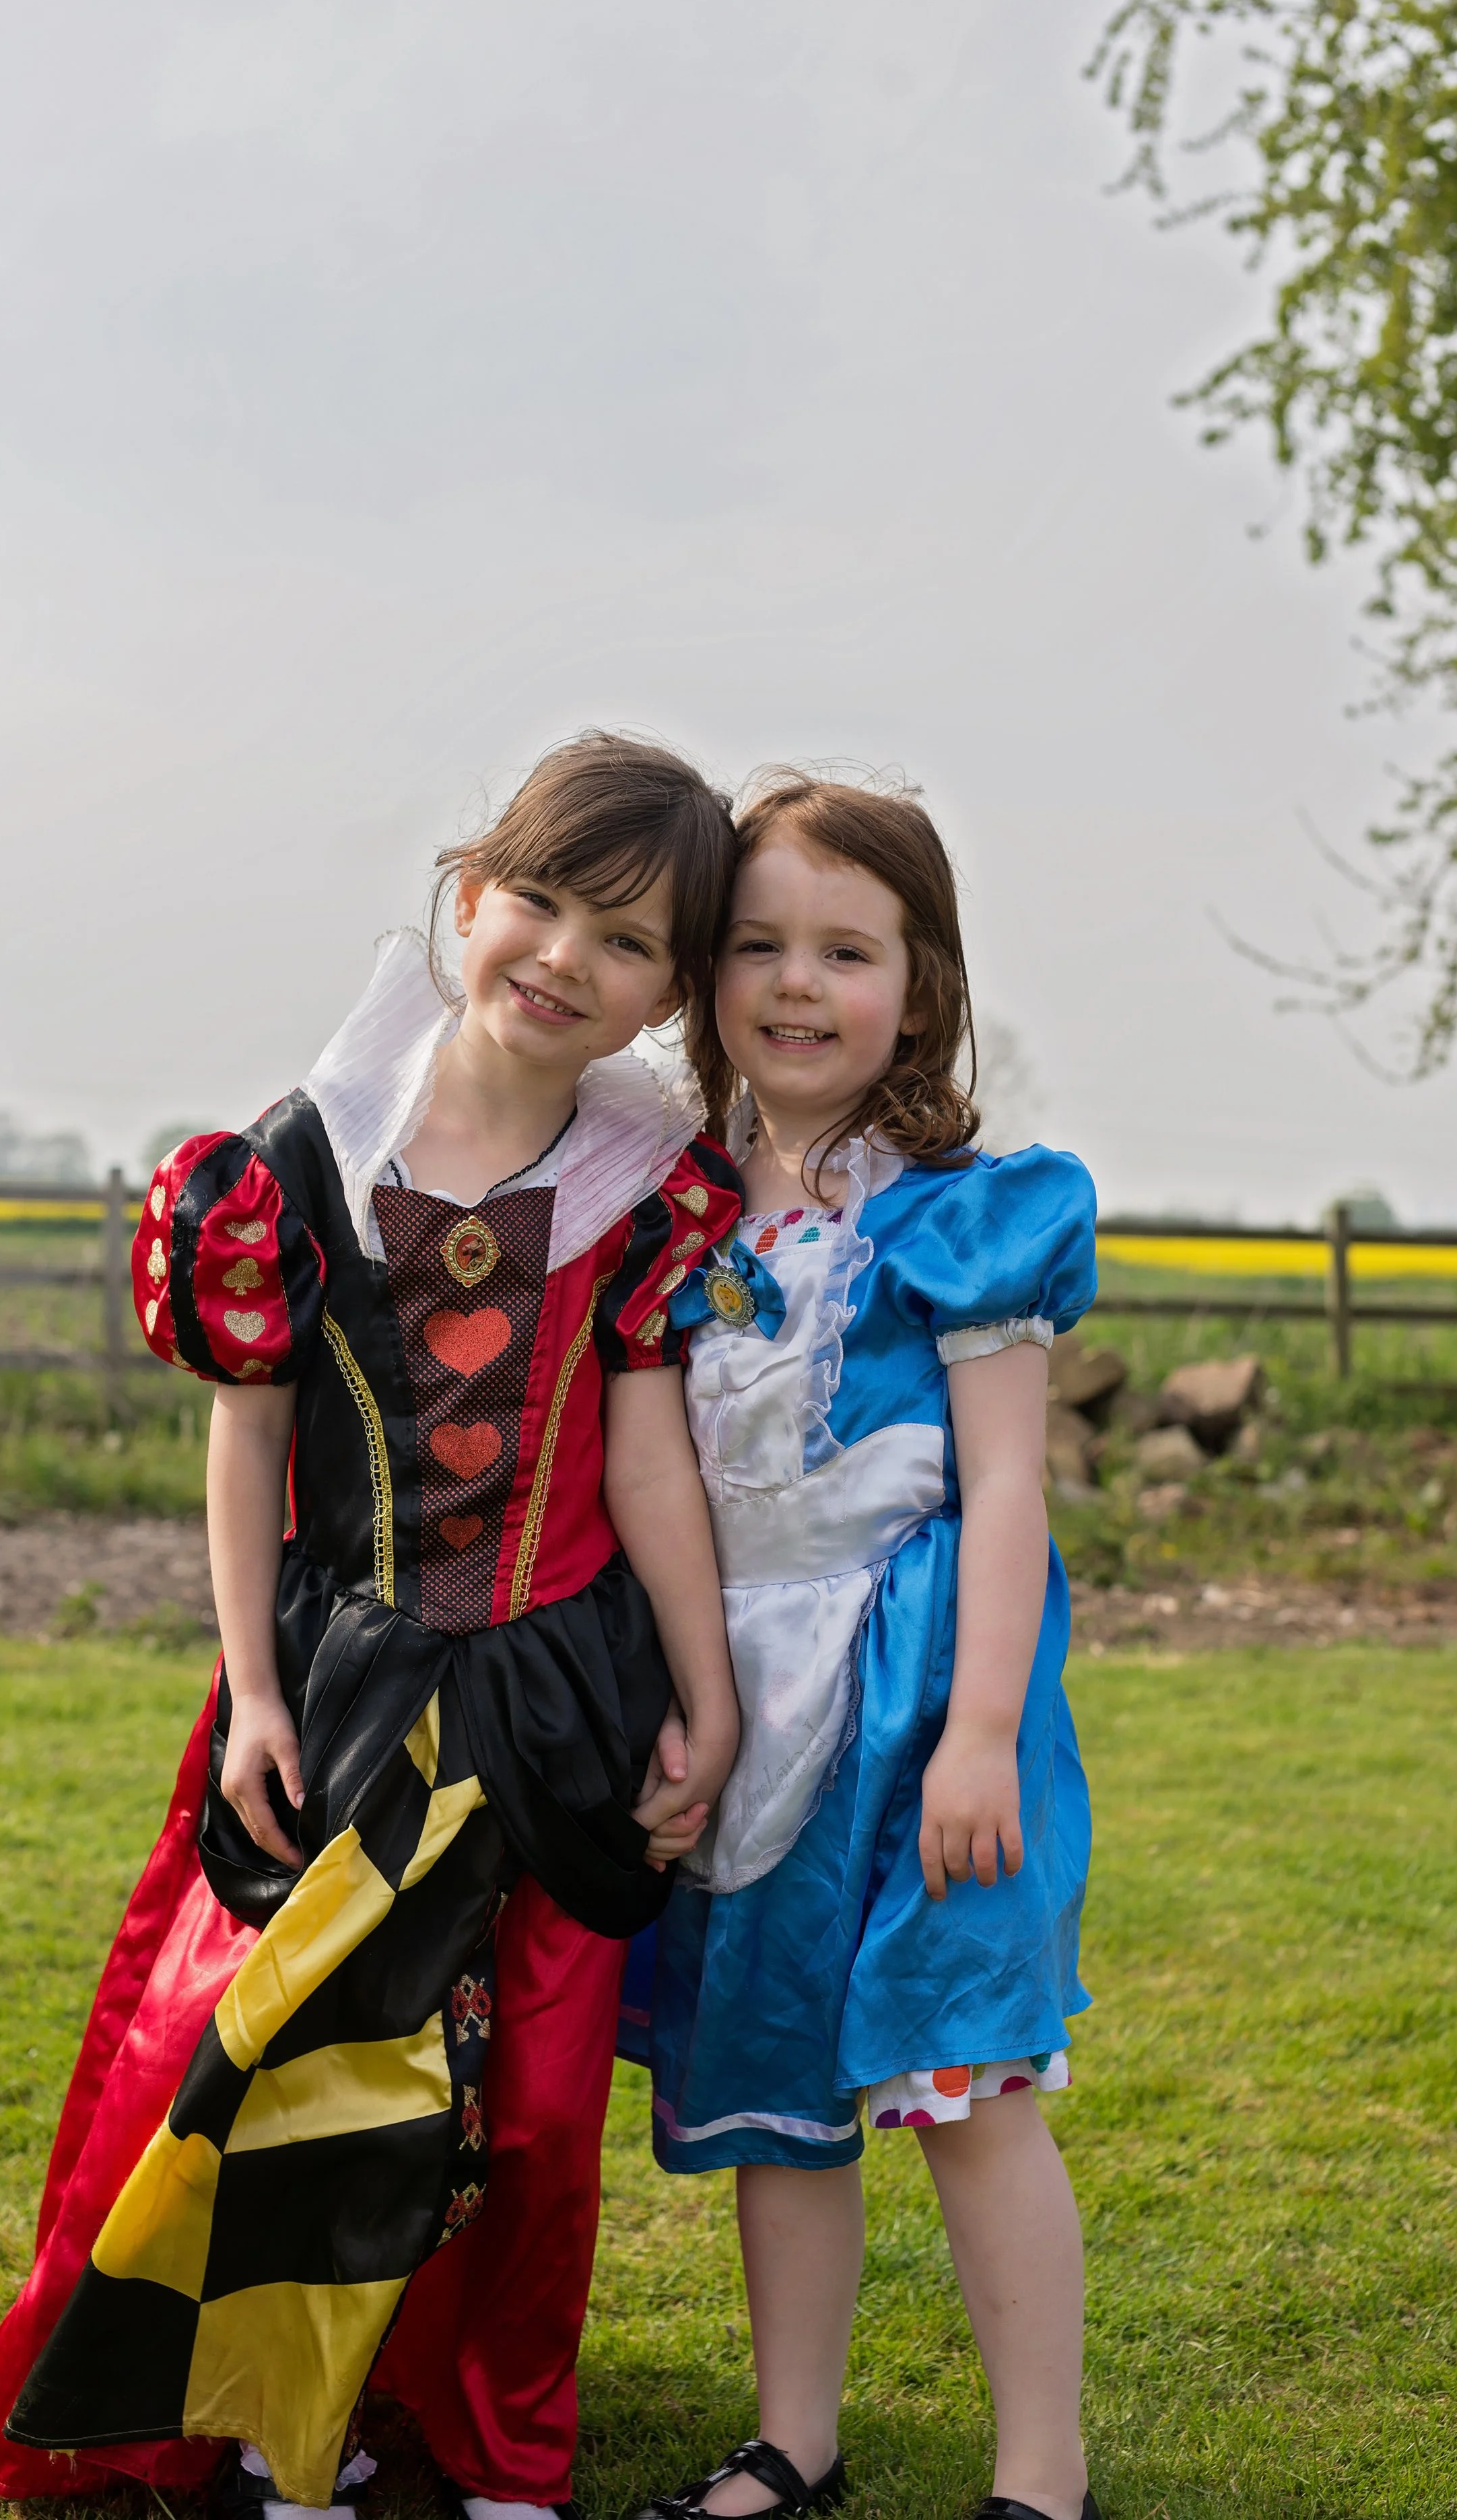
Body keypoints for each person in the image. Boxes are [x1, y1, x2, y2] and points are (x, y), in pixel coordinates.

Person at [0, 733, 744, 2520]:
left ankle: (501, 2449)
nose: (563, 956)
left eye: (624, 940)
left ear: (666, 996)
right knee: (289, 2067)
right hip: (341, 1680)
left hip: (561, 1697)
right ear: (468, 897)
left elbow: (652, 1460)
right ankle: (291, 2425)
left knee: (529, 2107)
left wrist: (707, 1697)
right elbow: (245, 1445)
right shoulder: (287, 1164)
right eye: (538, 901)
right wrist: (246, 1693)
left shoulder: (649, 1193)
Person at [630, 775, 1102, 2520]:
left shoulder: (966, 1211)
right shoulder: (672, 1215)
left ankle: (1038, 2475)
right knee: (772, 2092)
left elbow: (1001, 1488)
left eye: (845, 947)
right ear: (703, 976)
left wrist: (980, 1726)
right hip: (750, 1700)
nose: (795, 983)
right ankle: (793, 2435)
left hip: (922, 1700)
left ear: (921, 982)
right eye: (755, 944)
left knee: (961, 2081)